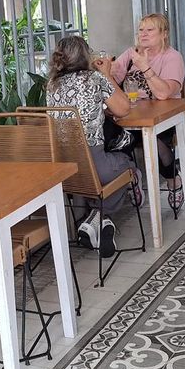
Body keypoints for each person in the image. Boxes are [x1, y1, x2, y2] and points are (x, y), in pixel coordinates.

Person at [46, 35, 141, 257]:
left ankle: (97, 222)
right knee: (128, 166)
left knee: (106, 170)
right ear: (85, 55)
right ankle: (98, 216)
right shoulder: (94, 79)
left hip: (64, 169)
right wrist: (106, 74)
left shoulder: (51, 84)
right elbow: (123, 109)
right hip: (94, 164)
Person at [112, 13, 185, 210]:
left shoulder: (172, 57)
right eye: (141, 30)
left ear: (164, 34)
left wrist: (144, 67)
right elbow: (111, 81)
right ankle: (132, 177)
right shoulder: (131, 54)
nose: (143, 34)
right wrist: (105, 71)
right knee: (114, 140)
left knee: (156, 144)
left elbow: (163, 94)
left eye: (150, 30)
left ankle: (173, 180)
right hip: (131, 116)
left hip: (163, 118)